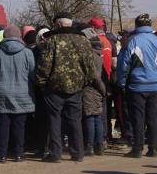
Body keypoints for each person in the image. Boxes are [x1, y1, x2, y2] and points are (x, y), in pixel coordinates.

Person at [36, 14, 95, 162]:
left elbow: (45, 66)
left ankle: (55, 153)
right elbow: (89, 67)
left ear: (59, 25)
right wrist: (84, 83)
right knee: (74, 120)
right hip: (76, 87)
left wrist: (41, 83)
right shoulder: (83, 41)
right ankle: (78, 152)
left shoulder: (52, 41)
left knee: (54, 120)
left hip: (54, 88)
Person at [0, 25, 36, 163]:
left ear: (4, 36)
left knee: (2, 125)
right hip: (23, 94)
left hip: (0, 94)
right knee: (19, 125)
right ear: (19, 37)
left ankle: (1, 154)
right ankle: (18, 154)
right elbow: (33, 74)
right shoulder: (27, 53)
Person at [117, 13, 157, 158]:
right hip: (154, 86)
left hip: (136, 86)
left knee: (137, 118)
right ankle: (153, 149)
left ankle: (137, 149)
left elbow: (123, 65)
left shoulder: (133, 41)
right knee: (153, 117)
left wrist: (121, 83)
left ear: (136, 25)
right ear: (150, 25)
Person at [81, 28, 107, 156]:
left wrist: (102, 89)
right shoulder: (97, 54)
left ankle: (90, 146)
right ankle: (99, 145)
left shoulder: (89, 54)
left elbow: (95, 76)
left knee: (90, 117)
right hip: (97, 90)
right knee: (97, 117)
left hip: (90, 89)